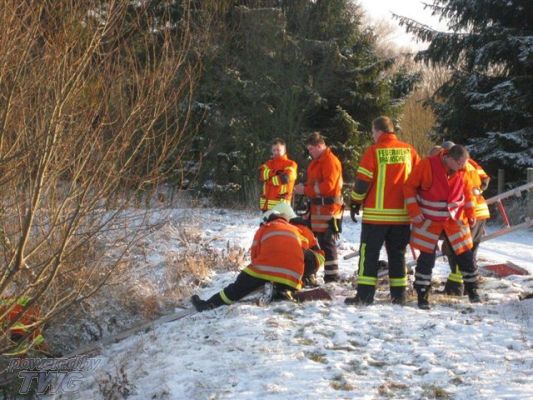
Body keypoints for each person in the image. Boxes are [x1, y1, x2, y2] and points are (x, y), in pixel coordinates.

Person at [344, 116, 421, 305]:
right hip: (401, 217)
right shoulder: (409, 151)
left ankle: (364, 296)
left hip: (375, 217)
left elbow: (363, 182)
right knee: (398, 256)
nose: (372, 136)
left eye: (372, 132)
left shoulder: (374, 151)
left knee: (369, 256)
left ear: (378, 131)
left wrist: (354, 202)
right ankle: (399, 295)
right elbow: (419, 179)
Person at [403, 144, 481, 309]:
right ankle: (422, 295)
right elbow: (409, 187)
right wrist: (414, 210)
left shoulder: (463, 169)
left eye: (464, 164)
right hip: (429, 221)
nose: (463, 167)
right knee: (426, 259)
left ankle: (473, 292)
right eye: (460, 163)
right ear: (449, 158)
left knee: (466, 256)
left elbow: (468, 193)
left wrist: (471, 213)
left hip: (455, 221)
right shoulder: (427, 165)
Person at [191, 206, 305, 312]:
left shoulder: (265, 228)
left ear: (266, 220)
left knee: (237, 288)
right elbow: (305, 250)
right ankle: (279, 291)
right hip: (294, 278)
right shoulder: (295, 230)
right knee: (277, 281)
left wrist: (253, 277)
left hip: (266, 269)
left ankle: (208, 305)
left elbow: (254, 255)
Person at [438, 142, 491, 295]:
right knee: (469, 251)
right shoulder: (472, 163)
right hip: (480, 211)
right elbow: (485, 180)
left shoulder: (458, 168)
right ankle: (467, 285)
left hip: (468, 213)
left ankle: (456, 287)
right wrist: (477, 190)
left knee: (458, 250)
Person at [294, 132, 343, 282]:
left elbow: (328, 186)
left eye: (311, 149)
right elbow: (314, 183)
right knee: (318, 242)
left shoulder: (330, 161)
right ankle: (315, 273)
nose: (309, 152)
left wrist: (305, 190)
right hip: (317, 210)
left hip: (329, 210)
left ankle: (332, 277)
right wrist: (304, 187)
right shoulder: (316, 163)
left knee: (327, 243)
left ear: (320, 146)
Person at [259, 138, 298, 211]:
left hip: (281, 208)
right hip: (265, 207)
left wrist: (269, 179)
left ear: (284, 150)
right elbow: (261, 174)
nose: (276, 152)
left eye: (278, 150)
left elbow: (285, 178)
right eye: (274, 150)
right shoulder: (268, 163)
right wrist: (276, 173)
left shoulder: (291, 164)